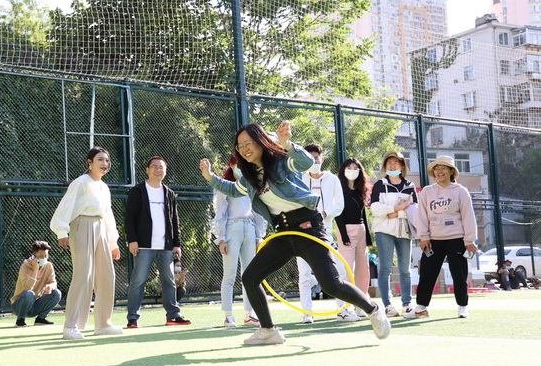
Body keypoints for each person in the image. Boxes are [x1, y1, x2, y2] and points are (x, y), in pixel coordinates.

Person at [199, 121, 390, 345]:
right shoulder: (251, 177)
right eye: (240, 146)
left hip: (308, 226)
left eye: (248, 143)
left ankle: (373, 309)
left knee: (331, 284)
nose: (244, 149)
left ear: (261, 141)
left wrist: (287, 144)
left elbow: (305, 162)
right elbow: (232, 189)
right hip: (283, 232)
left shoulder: (280, 161)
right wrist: (210, 177)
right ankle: (268, 330)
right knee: (250, 277)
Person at [50, 147, 123, 340]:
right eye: (100, 160)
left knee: (107, 275)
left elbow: (108, 214)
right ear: (89, 162)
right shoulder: (81, 182)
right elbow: (65, 206)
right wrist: (62, 231)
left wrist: (113, 242)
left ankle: (103, 324)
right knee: (84, 275)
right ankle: (70, 326)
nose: (105, 164)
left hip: (101, 228)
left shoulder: (104, 187)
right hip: (82, 225)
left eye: (107, 160)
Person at [404, 155, 478, 319]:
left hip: (457, 238)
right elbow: (422, 216)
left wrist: (469, 240)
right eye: (436, 169)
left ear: (452, 171)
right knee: (427, 274)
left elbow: (468, 216)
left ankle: (463, 306)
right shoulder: (427, 191)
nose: (439, 171)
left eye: (443, 168)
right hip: (433, 240)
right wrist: (424, 236)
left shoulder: (461, 191)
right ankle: (421, 307)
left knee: (459, 274)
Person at [125, 156, 191, 328]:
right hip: (144, 246)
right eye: (154, 167)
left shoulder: (169, 193)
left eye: (161, 167)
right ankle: (132, 318)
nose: (158, 170)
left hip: (166, 247)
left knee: (169, 281)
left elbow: (175, 220)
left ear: (165, 171)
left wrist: (176, 243)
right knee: (138, 281)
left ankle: (173, 315)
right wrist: (132, 240)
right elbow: (129, 218)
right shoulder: (138, 191)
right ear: (147, 170)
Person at [296, 143, 357, 324]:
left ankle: (343, 310)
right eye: (309, 158)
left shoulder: (332, 179)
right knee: (304, 274)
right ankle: (307, 312)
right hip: (302, 233)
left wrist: (323, 214)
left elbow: (339, 205)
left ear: (322, 159)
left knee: (339, 271)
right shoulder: (299, 178)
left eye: (316, 157)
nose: (314, 161)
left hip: (324, 233)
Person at [210, 153, 265, 327]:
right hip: (231, 229)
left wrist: (259, 235)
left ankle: (250, 314)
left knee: (250, 275)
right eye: (238, 165)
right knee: (230, 274)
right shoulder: (224, 185)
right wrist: (221, 238)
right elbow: (220, 212)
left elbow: (258, 211)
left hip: (249, 228)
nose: (242, 169)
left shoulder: (251, 184)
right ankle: (228, 315)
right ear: (232, 165)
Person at [370, 150, 418, 317]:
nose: (392, 165)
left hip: (404, 231)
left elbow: (415, 210)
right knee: (385, 268)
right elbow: (375, 209)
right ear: (385, 166)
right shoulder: (379, 184)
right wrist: (396, 207)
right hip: (384, 230)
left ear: (402, 166)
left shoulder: (410, 186)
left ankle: (407, 304)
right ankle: (388, 305)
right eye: (389, 163)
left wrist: (396, 213)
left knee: (405, 269)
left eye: (396, 163)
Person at [335, 158, 372, 318]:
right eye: (349, 168)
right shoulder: (339, 189)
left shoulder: (360, 189)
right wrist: (344, 234)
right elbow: (338, 214)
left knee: (363, 269)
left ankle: (361, 304)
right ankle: (344, 307)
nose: (352, 171)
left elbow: (363, 213)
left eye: (355, 168)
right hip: (346, 230)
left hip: (361, 230)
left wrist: (368, 236)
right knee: (346, 269)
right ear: (343, 170)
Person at [10, 241, 62, 327]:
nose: (44, 258)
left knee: (57, 293)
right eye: (41, 256)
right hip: (19, 306)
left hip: (35, 305)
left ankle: (40, 319)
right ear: (33, 256)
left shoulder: (49, 266)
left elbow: (54, 282)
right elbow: (27, 287)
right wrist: (35, 269)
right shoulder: (25, 266)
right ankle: (20, 319)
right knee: (29, 294)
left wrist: (50, 286)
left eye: (46, 256)